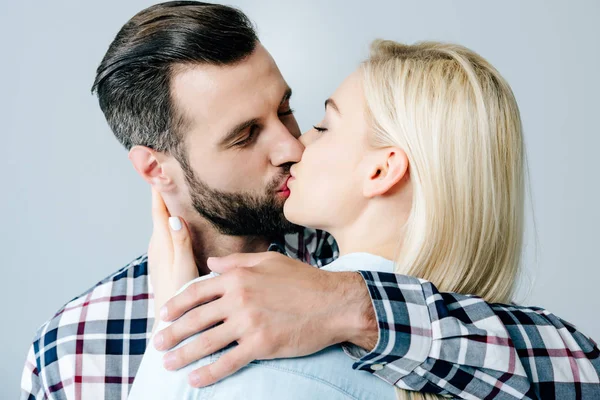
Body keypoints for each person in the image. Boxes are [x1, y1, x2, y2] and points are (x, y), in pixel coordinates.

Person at [19, 2, 599, 399]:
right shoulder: (76, 348)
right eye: (246, 135)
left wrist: (354, 307)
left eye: (288, 111)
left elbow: (582, 372)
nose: (291, 146)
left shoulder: (379, 251)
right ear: (156, 168)